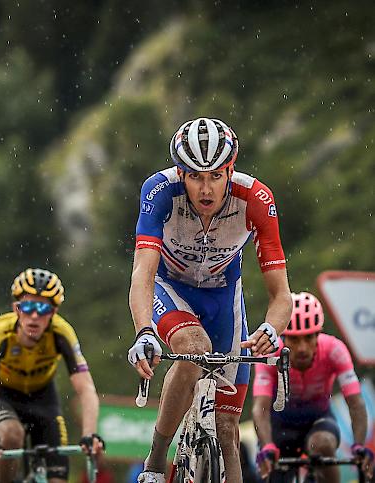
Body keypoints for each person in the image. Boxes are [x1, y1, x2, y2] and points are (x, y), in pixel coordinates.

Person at [127, 117, 293, 483]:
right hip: (169, 288)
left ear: (230, 172)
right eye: (196, 177)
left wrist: (271, 328)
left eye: (216, 176)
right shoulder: (159, 190)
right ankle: (155, 462)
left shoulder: (256, 199)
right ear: (180, 173)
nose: (206, 189)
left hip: (223, 297)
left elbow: (281, 294)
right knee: (192, 348)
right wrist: (143, 331)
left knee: (228, 428)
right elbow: (142, 273)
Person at [0, 268, 104, 483]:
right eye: (28, 306)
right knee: (12, 435)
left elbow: (86, 389)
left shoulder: (62, 333)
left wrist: (89, 435)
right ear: (16, 308)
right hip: (6, 397)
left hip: (44, 399)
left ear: (53, 313)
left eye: (43, 308)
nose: (34, 316)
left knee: (58, 479)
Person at [252, 291, 374, 482]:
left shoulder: (334, 349)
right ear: (283, 337)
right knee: (272, 475)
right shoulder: (270, 355)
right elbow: (261, 407)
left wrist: (359, 445)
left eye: (308, 338)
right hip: (280, 427)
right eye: (294, 339)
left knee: (323, 445)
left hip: (319, 421)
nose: (302, 348)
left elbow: (356, 403)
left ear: (319, 334)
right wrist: (267, 445)